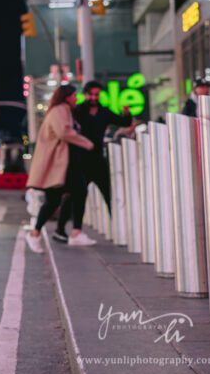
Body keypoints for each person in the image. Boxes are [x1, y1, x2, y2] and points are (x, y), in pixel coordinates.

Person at [53, 81, 134, 243]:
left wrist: (127, 114)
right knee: (73, 196)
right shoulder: (77, 110)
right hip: (79, 160)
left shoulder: (104, 112)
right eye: (91, 94)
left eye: (96, 94)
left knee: (109, 194)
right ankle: (61, 230)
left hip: (98, 160)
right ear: (85, 94)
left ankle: (120, 231)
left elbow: (123, 122)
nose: (93, 97)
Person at [25, 85, 95, 254]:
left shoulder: (64, 111)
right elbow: (64, 133)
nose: (76, 99)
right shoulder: (60, 110)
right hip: (59, 164)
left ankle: (70, 232)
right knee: (60, 198)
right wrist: (87, 143)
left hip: (64, 164)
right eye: (74, 96)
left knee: (72, 194)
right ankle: (37, 234)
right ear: (66, 97)